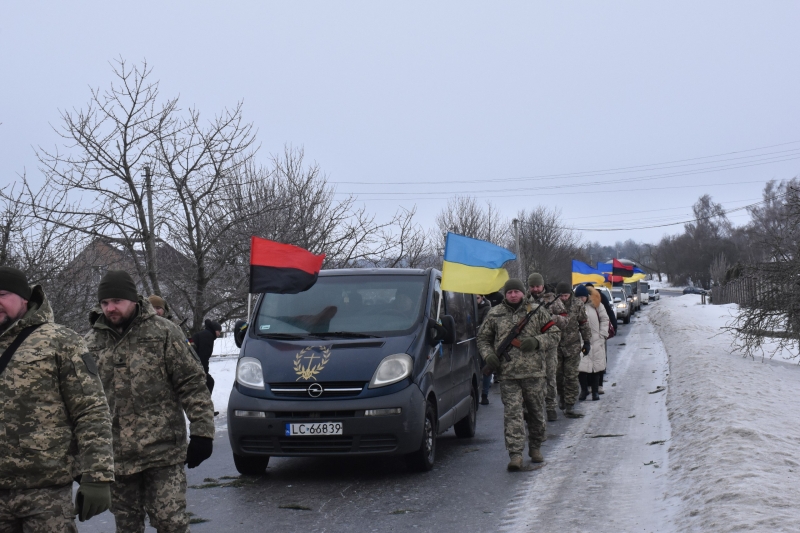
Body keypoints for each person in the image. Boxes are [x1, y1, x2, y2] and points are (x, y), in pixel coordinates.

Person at [86, 270, 215, 532]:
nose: (110, 308)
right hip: (117, 457)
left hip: (162, 452)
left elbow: (192, 383)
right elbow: (83, 403)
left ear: (133, 299)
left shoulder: (164, 332)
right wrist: (84, 459)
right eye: (105, 303)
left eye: (117, 301)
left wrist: (202, 432)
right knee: (127, 526)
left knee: (171, 523)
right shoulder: (90, 343)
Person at [0, 266, 114, 530]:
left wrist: (97, 477)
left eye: (2, 295)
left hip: (45, 493)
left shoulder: (61, 341)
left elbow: (91, 410)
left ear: (24, 298)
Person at [477, 278, 560, 471]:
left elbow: (555, 334)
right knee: (512, 415)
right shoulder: (495, 313)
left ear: (523, 292)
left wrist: (537, 341)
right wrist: (488, 355)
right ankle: (515, 455)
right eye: (509, 292)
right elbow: (483, 338)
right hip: (508, 375)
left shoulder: (536, 311)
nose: (513, 295)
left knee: (536, 413)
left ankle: (535, 447)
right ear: (505, 294)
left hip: (534, 373)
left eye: (516, 291)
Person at [526, 273, 566, 422]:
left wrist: (551, 317)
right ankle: (531, 410)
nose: (535, 289)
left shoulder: (553, 300)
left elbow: (565, 321)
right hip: (531, 345)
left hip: (549, 345)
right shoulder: (525, 301)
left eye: (538, 286)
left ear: (542, 286)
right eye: (532, 286)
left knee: (550, 377)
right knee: (530, 379)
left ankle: (550, 407)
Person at [554, 282, 592, 418]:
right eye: (561, 296)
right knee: (558, 376)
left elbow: (583, 323)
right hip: (556, 346)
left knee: (571, 376)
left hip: (573, 345)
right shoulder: (552, 305)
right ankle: (562, 397)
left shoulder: (578, 304)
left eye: (566, 295)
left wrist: (587, 341)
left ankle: (570, 405)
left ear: (570, 294)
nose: (564, 298)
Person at [582, 283, 617, 394]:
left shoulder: (600, 299)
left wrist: (603, 334)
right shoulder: (581, 303)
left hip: (599, 335)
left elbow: (608, 314)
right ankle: (590, 385)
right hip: (588, 337)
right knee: (586, 360)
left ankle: (599, 385)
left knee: (599, 360)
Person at [577, 285, 610, 401]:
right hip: (581, 341)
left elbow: (605, 319)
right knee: (581, 367)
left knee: (596, 367)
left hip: (596, 340)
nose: (581, 299)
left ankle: (595, 391)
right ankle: (584, 390)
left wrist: (602, 335)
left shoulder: (597, 305)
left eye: (582, 297)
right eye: (578, 297)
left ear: (587, 296)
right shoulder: (575, 308)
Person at [191, 318, 222, 394]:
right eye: (219, 331)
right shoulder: (208, 336)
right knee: (209, 382)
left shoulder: (205, 334)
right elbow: (203, 356)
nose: (219, 334)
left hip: (191, 363)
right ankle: (204, 400)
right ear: (215, 330)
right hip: (192, 365)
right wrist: (204, 372)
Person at [476, 294, 492, 405]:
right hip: (471, 341)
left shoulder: (486, 308)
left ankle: (484, 395)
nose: (475, 300)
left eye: (477, 298)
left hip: (484, 342)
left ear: (482, 298)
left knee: (486, 368)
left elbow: (485, 326)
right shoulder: (466, 307)